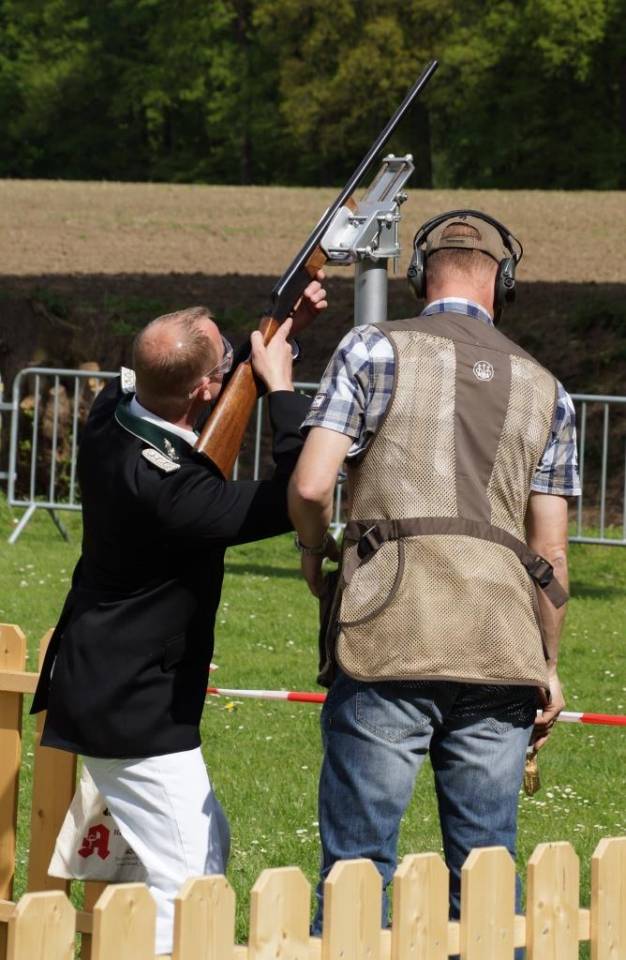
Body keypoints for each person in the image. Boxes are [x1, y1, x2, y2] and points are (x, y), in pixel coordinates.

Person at [288, 211, 581, 930]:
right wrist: (547, 663)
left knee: (359, 869)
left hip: (388, 632)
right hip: (501, 646)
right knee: (487, 879)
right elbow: (551, 558)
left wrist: (314, 554)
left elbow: (311, 486)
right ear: (503, 285)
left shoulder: (371, 347)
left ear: (419, 277)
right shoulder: (551, 391)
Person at [31, 278, 327, 956]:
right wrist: (280, 387)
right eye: (224, 364)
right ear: (203, 390)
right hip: (133, 704)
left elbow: (187, 387)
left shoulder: (109, 415)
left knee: (186, 850)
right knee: (193, 879)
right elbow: (297, 490)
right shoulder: (176, 496)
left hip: (113, 685)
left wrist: (276, 339)